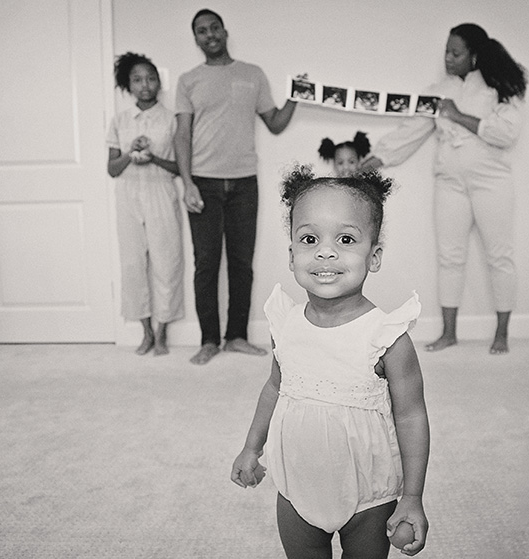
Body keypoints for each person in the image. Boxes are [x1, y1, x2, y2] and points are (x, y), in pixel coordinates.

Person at [231, 166, 430, 558]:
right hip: (297, 490)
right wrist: (251, 447)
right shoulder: (284, 325)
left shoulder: (387, 338)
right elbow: (275, 387)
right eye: (309, 238)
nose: (326, 251)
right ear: (292, 256)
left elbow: (411, 417)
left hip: (369, 496)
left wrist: (412, 496)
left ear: (373, 256)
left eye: (345, 239)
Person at [361, 23, 528, 354]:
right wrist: (376, 157)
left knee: (500, 256)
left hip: (491, 182)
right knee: (450, 257)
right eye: (446, 52)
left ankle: (502, 333)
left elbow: (506, 133)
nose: (448, 58)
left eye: (456, 52)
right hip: (450, 183)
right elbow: (412, 131)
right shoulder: (437, 91)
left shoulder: (500, 88)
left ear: (475, 55)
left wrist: (457, 114)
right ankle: (449, 332)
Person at [174, 8, 298, 365]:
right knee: (207, 263)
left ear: (225, 31)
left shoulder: (252, 74)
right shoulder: (188, 80)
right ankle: (209, 339)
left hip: (245, 182)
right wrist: (187, 184)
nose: (209, 34)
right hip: (204, 183)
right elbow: (182, 134)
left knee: (242, 263)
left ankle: (237, 336)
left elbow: (274, 123)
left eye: (214, 27)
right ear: (196, 38)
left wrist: (297, 96)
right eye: (201, 30)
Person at [106, 52, 184, 356]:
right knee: (132, 264)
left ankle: (163, 332)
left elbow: (179, 166)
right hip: (128, 195)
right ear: (128, 84)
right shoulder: (120, 120)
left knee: (167, 262)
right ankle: (146, 332)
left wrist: (153, 157)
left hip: (161, 192)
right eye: (137, 80)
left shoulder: (171, 120)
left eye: (150, 78)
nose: (145, 85)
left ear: (159, 82)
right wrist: (129, 151)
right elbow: (112, 169)